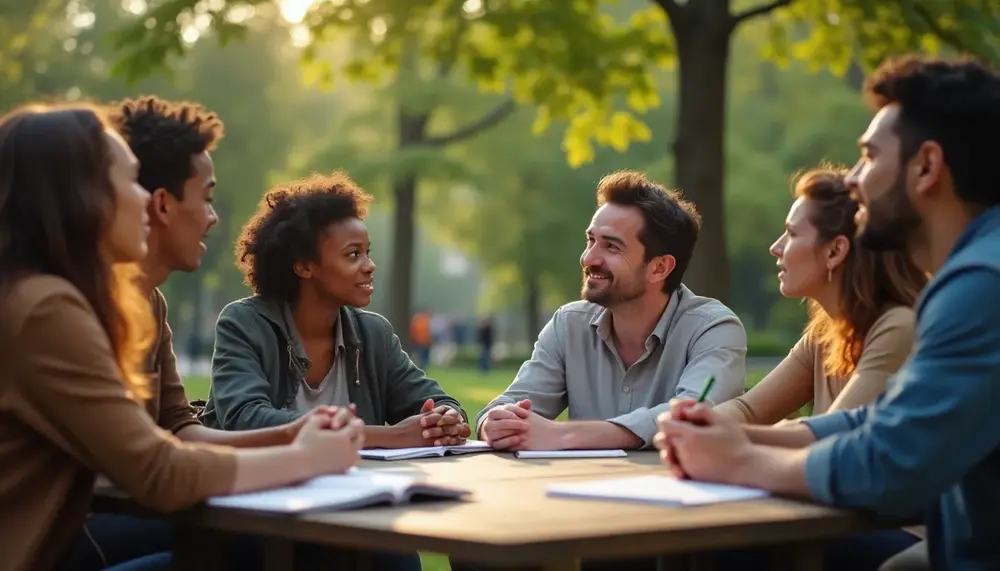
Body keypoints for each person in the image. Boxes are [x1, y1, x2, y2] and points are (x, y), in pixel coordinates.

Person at [655, 55, 1000, 571]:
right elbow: (883, 424)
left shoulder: (979, 286)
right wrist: (736, 435)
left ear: (926, 167)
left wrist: (739, 460)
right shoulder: (973, 275)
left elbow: (889, 462)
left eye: (868, 156)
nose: (854, 178)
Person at [0, 103, 363, 571]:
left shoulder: (65, 296)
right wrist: (305, 459)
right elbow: (159, 472)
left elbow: (172, 427)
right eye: (130, 182)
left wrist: (291, 435)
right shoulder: (44, 307)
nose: (145, 200)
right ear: (82, 197)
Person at [477, 170, 747, 452]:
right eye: (590, 240)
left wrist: (566, 435)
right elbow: (510, 403)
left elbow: (693, 416)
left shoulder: (714, 329)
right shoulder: (568, 324)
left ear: (659, 268)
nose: (588, 258)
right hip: (577, 492)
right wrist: (494, 423)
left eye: (611, 246)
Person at [201, 172, 470, 451]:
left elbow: (439, 402)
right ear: (304, 266)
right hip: (250, 487)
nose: (369, 265)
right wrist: (389, 436)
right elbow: (246, 419)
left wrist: (447, 418)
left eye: (368, 252)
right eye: (353, 254)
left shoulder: (374, 334)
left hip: (353, 489)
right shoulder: (244, 324)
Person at [715, 165, 927, 426]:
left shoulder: (898, 327)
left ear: (835, 251)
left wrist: (721, 434)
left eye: (792, 233)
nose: (775, 248)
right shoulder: (824, 335)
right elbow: (748, 410)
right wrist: (698, 421)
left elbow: (830, 435)